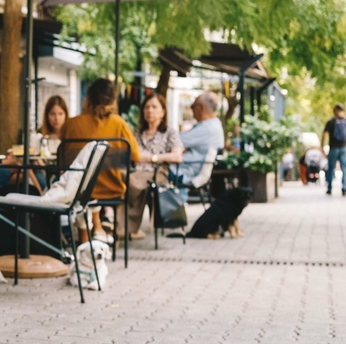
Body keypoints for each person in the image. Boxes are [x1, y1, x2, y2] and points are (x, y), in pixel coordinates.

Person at [62, 78, 140, 243]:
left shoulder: (72, 124)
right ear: (113, 99)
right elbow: (136, 156)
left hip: (77, 189)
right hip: (111, 189)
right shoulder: (119, 123)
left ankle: (87, 235)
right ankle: (98, 228)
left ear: (88, 97)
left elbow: (62, 160)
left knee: (84, 185)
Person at [126, 93, 183, 240]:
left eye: (154, 107)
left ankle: (122, 227)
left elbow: (177, 156)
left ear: (163, 112)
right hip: (135, 172)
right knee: (119, 178)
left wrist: (153, 158)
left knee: (130, 181)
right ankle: (115, 223)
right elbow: (132, 156)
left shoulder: (169, 132)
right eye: (146, 107)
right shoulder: (137, 133)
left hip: (158, 173)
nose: (149, 111)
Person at [175, 92, 225, 188]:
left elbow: (174, 141)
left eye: (193, 106)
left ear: (202, 108)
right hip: (184, 169)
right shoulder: (213, 124)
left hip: (183, 172)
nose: (192, 109)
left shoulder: (208, 128)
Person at [321, 103, 346, 195]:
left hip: (334, 148)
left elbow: (324, 134)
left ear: (335, 110)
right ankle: (345, 188)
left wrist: (322, 147)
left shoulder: (331, 121)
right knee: (345, 168)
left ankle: (329, 188)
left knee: (331, 168)